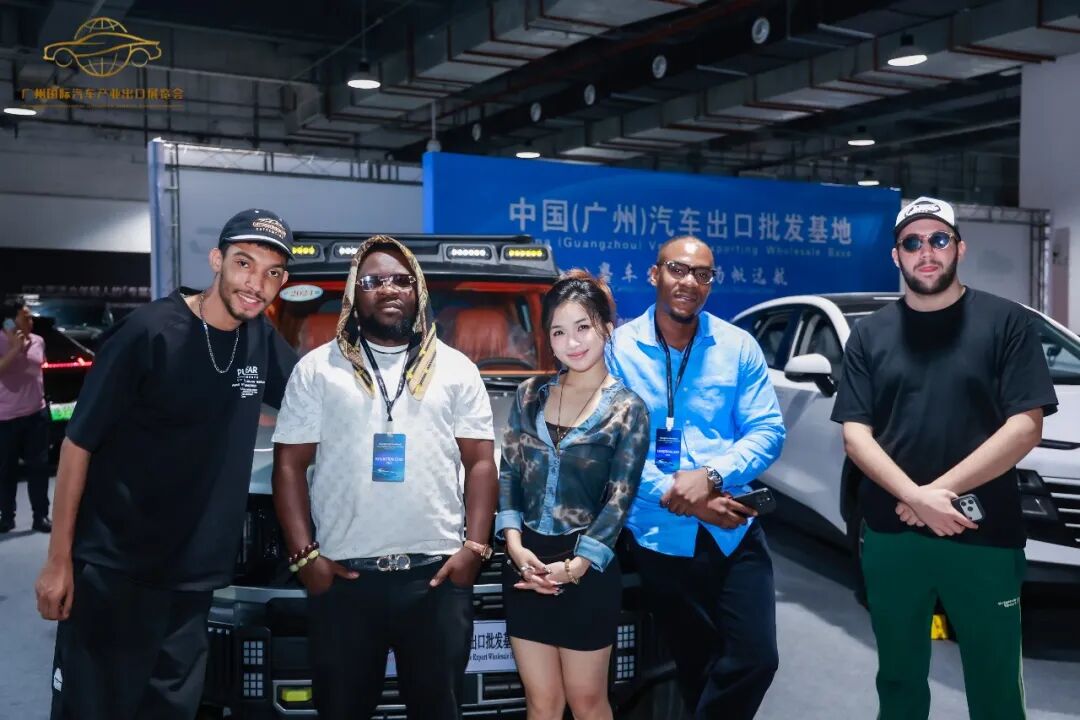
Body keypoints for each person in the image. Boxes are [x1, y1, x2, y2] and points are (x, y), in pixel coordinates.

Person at [35, 209, 298, 720]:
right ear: (217, 260)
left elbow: (318, 399)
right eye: (244, 263)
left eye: (271, 273)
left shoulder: (260, 339)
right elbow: (77, 445)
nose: (255, 284)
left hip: (195, 582)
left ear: (282, 282)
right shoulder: (150, 331)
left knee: (171, 709)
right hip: (117, 570)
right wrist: (58, 560)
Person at [831, 197, 1057, 720]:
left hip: (983, 534)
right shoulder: (869, 334)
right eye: (912, 243)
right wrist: (914, 497)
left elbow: (1025, 426)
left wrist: (936, 495)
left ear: (959, 248)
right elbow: (856, 436)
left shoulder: (1007, 323)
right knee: (898, 680)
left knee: (996, 686)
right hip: (893, 535)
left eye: (938, 239)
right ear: (896, 256)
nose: (926, 252)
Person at [271, 235, 498, 720]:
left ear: (418, 290)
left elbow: (480, 461)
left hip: (435, 580)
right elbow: (288, 465)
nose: (389, 289)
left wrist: (474, 551)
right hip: (344, 583)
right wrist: (305, 558)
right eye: (373, 281)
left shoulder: (457, 369)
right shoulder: (317, 370)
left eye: (401, 280)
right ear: (354, 293)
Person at [607, 235, 786, 720]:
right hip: (659, 534)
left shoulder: (737, 346)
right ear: (654, 274)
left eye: (702, 274)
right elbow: (614, 444)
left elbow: (768, 431)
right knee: (696, 666)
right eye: (678, 270)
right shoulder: (619, 349)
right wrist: (676, 491)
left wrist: (710, 476)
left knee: (756, 658)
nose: (689, 282)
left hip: (733, 526)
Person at [496, 270, 650, 720]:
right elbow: (510, 473)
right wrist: (514, 545)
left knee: (587, 702)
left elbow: (619, 498)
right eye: (559, 331)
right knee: (542, 702)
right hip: (525, 566)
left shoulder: (628, 409)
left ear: (607, 327)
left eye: (583, 327)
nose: (572, 342)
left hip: (588, 570)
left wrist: (574, 567)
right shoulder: (528, 395)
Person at [0, 297, 52, 533]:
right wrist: (15, 348)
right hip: (6, 417)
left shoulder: (39, 341)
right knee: (6, 470)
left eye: (31, 317)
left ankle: (40, 516)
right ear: (10, 322)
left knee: (39, 468)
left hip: (36, 414)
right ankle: (6, 517)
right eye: (25, 318)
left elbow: (36, 369)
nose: (31, 322)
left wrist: (25, 346)